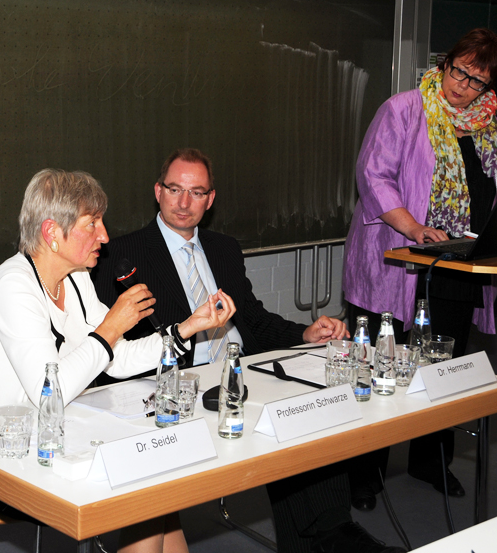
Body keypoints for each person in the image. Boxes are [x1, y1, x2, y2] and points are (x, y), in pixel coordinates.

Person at [91, 149, 403, 553]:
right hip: (181, 388)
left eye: (196, 192)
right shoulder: (121, 255)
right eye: (174, 189)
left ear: (210, 199)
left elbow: (253, 318)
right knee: (285, 419)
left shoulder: (223, 248)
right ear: (158, 191)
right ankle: (332, 536)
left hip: (244, 372)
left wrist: (305, 333)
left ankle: (330, 531)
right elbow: (115, 344)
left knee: (309, 410)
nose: (184, 202)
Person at [0, 168, 235, 553]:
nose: (104, 236)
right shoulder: (13, 288)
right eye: (92, 224)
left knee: (157, 479)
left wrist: (188, 327)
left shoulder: (75, 278)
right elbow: (49, 392)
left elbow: (116, 359)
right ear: (52, 233)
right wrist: (111, 327)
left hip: (56, 434)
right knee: (144, 482)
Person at [343, 27, 497, 503]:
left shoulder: (489, 128)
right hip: (395, 262)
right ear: (444, 65)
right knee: (380, 369)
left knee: (441, 368)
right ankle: (364, 474)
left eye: (477, 81)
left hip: (457, 268)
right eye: (459, 72)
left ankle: (431, 461)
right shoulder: (404, 109)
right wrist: (414, 228)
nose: (463, 86)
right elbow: (373, 175)